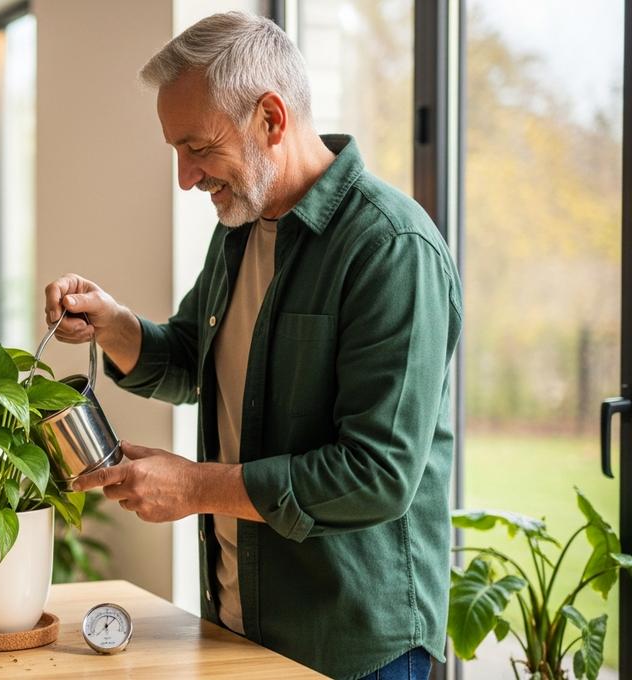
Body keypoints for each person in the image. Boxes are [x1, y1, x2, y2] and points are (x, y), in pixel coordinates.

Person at [43, 12, 462, 680]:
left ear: (271, 118)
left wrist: (196, 486)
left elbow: (377, 476)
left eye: (197, 148)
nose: (185, 177)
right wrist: (115, 325)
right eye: (176, 152)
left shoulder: (390, 249)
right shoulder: (241, 229)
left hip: (350, 644)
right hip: (237, 620)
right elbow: (191, 361)